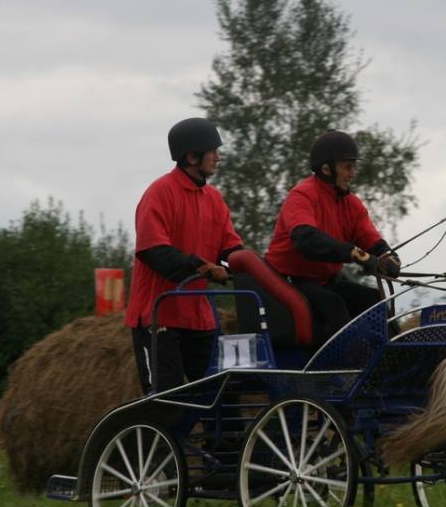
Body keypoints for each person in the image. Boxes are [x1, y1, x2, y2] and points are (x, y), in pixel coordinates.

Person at [125, 117, 243, 394]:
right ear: (191, 156)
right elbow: (155, 253)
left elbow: (232, 248)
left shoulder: (214, 199)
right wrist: (205, 267)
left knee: (222, 397)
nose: (218, 157)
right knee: (168, 400)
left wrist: (254, 266)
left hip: (199, 316)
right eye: (212, 151)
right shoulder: (159, 194)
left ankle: (225, 440)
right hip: (158, 317)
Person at [264, 129, 401, 340]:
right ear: (326, 169)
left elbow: (369, 238)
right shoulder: (301, 195)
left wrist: (387, 256)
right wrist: (355, 254)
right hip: (291, 281)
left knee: (374, 299)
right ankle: (348, 368)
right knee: (334, 304)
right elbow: (307, 239)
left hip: (326, 280)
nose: (352, 173)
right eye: (348, 167)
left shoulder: (352, 204)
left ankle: (395, 355)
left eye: (354, 167)